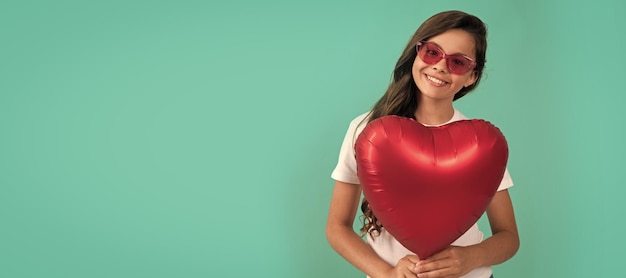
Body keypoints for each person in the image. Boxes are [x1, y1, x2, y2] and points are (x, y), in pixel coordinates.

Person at [326, 10, 519, 278]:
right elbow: (337, 227)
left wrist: (469, 258)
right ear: (416, 53)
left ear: (472, 76)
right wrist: (387, 272)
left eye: (458, 62)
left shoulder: (480, 143)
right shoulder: (367, 130)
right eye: (432, 52)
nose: (441, 66)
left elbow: (509, 237)